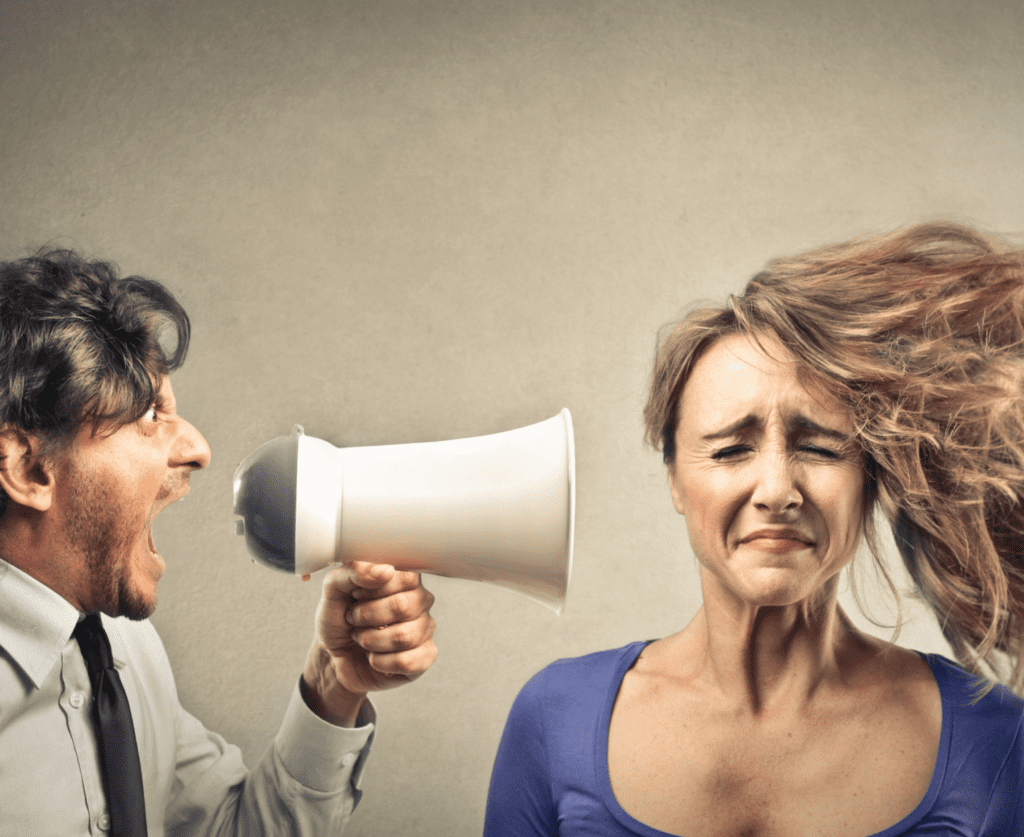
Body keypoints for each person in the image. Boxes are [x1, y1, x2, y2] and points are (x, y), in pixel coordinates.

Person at [485, 222, 1024, 836]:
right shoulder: (556, 717)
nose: (776, 492)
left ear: (871, 477)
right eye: (730, 450)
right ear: (674, 482)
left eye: (820, 449)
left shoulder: (992, 735)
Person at [0, 249, 438, 835]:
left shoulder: (127, 652)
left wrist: (333, 685)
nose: (199, 449)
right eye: (150, 415)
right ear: (30, 469)